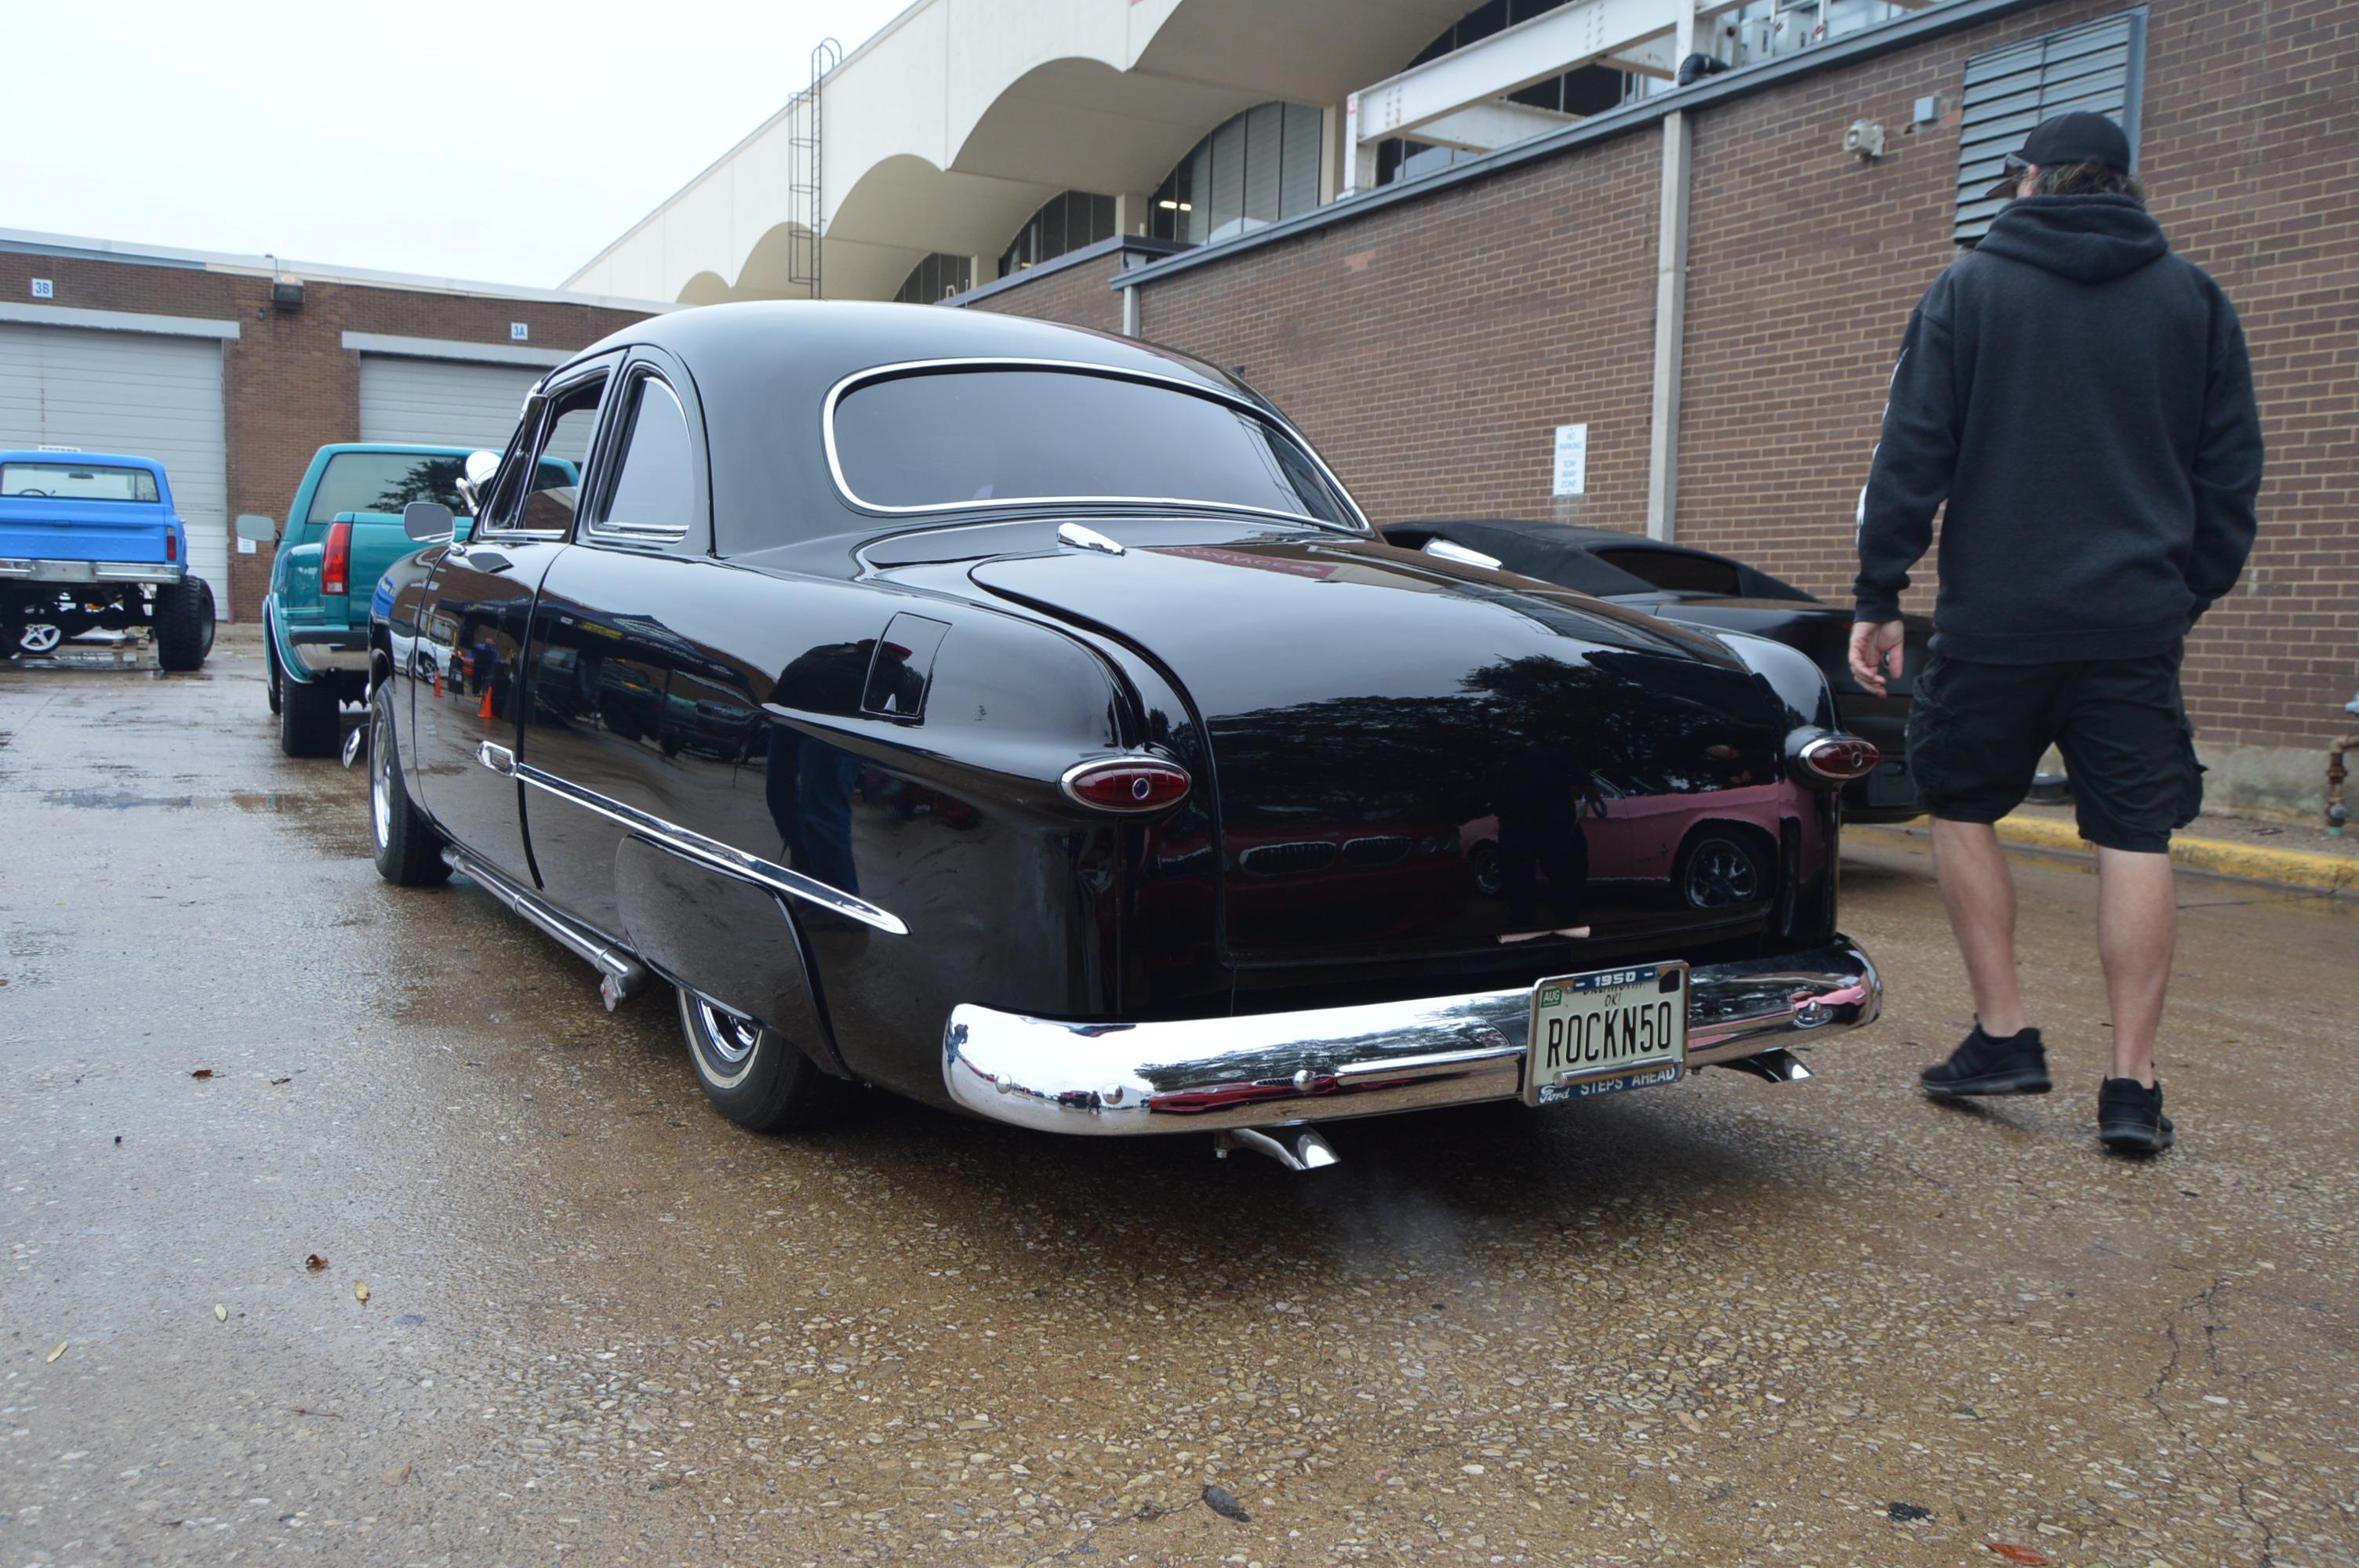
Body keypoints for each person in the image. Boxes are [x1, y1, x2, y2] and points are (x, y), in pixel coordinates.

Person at [1847, 111, 2264, 1155]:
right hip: (2133, 625)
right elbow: (2232, 480)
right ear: (2120, 186)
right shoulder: (2194, 300)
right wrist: (2179, 596)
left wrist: (1879, 593)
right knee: (2136, 837)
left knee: (1959, 806)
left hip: (1998, 622)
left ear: (2031, 178)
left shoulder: (1969, 290)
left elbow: (1913, 453)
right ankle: (2132, 1087)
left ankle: (2004, 1033)